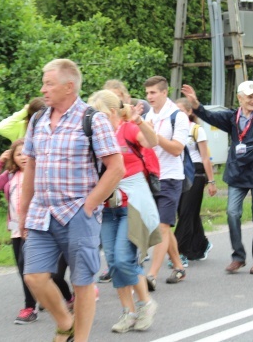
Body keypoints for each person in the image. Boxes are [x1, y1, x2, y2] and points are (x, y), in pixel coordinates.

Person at [19, 59, 125, 342]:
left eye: (49, 83)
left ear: (69, 87)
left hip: (77, 212)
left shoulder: (93, 119)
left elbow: (116, 168)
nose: (43, 88)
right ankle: (65, 322)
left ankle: (80, 339)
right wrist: (23, 211)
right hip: (42, 213)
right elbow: (30, 165)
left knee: (82, 283)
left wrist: (89, 205)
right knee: (34, 277)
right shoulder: (38, 120)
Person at [181, 78, 253, 275]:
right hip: (237, 173)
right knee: (232, 213)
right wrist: (195, 103)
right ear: (240, 98)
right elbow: (208, 116)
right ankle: (238, 256)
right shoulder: (231, 117)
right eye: (249, 97)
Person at [87, 90, 160, 333]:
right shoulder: (95, 137)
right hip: (108, 208)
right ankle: (129, 312)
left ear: (112, 113)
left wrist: (139, 121)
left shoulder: (127, 129)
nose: (95, 121)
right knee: (116, 263)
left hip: (132, 204)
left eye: (99, 115)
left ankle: (145, 304)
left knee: (122, 258)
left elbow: (152, 142)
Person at [0, 139, 41, 324]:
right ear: (13, 158)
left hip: (36, 227)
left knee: (34, 268)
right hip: (16, 229)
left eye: (26, 153)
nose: (23, 157)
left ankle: (60, 297)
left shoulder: (39, 172)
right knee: (23, 269)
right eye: (18, 154)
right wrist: (0, 162)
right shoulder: (10, 176)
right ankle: (31, 307)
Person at [143, 76, 189, 288]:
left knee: (162, 226)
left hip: (171, 177)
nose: (149, 97)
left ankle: (151, 275)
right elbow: (145, 146)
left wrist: (154, 136)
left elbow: (177, 148)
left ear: (164, 92)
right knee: (163, 226)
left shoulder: (177, 117)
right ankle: (178, 266)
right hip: (152, 177)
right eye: (147, 93)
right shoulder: (148, 115)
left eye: (153, 92)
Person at [174, 98, 217, 260]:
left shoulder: (196, 130)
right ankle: (201, 244)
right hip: (179, 173)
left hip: (196, 174)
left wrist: (211, 181)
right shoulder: (174, 131)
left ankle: (178, 252)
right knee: (187, 212)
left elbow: (206, 158)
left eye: (181, 111)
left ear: (189, 112)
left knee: (186, 213)